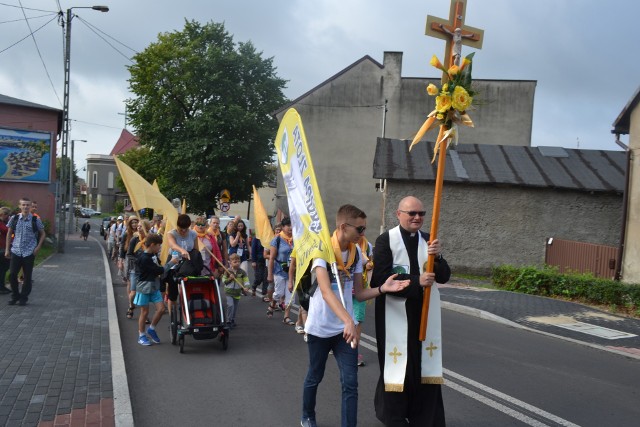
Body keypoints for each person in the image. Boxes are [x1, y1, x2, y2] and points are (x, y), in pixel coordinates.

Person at [301, 204, 410, 427]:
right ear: (343, 226)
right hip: (321, 328)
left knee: (350, 383)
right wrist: (349, 320)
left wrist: (382, 289)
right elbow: (325, 290)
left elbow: (359, 293)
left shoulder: (356, 251)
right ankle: (307, 415)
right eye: (360, 229)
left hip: (344, 332)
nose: (363, 234)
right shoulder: (322, 250)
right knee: (315, 376)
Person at [370, 196, 451, 426]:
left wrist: (439, 256)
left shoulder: (429, 240)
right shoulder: (386, 241)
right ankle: (394, 416)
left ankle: (425, 418)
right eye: (411, 213)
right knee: (399, 367)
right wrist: (417, 281)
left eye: (421, 213)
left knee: (424, 365)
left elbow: (444, 276)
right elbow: (380, 278)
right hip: (394, 314)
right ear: (398, 214)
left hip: (424, 315)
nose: (417, 217)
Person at [134, 233, 176, 346]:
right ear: (152, 245)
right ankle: (141, 335)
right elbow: (159, 270)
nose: (160, 248)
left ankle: (151, 329)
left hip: (154, 287)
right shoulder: (144, 258)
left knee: (161, 309)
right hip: (144, 287)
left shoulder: (153, 255)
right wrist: (172, 262)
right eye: (158, 245)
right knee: (144, 312)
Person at [4, 197, 45, 306]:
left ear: (30, 206)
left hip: (29, 252)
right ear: (20, 206)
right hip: (16, 251)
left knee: (27, 277)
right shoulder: (14, 218)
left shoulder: (35, 220)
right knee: (12, 275)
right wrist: (7, 249)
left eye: (28, 205)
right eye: (24, 205)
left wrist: (37, 248)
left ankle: (23, 297)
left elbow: (43, 234)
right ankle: (15, 295)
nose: (26, 207)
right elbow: (9, 234)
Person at [165, 214, 198, 315]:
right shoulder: (171, 233)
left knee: (188, 291)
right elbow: (172, 245)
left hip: (188, 263)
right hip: (174, 262)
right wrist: (182, 250)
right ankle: (172, 317)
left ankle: (187, 314)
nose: (183, 231)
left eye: (186, 228)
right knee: (173, 293)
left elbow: (195, 250)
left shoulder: (193, 234)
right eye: (181, 228)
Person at [267, 218, 293, 321]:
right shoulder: (277, 239)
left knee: (290, 295)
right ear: (283, 227)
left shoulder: (296, 239)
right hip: (279, 270)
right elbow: (272, 258)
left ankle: (286, 316)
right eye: (288, 225)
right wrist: (270, 274)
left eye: (291, 225)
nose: (290, 228)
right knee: (279, 293)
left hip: (292, 271)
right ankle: (272, 304)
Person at [354, 234, 374, 367]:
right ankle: (337, 344)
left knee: (358, 320)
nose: (360, 232)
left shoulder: (368, 246)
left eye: (362, 229)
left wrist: (370, 286)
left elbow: (371, 266)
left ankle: (353, 352)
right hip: (343, 289)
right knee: (342, 320)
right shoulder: (341, 245)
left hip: (360, 287)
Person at [222, 253, 250, 327]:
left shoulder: (242, 272)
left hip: (237, 292)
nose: (237, 263)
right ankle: (228, 321)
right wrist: (230, 279)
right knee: (230, 305)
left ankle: (232, 320)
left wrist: (247, 287)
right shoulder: (227, 271)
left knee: (235, 308)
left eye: (238, 261)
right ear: (230, 262)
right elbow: (224, 281)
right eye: (235, 262)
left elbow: (246, 280)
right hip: (229, 292)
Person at [0, 207, 12, 295]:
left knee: (4, 268)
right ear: (2, 214)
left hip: (5, 247)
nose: (8, 217)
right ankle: (1, 287)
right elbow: (6, 230)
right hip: (2, 248)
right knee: (3, 268)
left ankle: (2, 286)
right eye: (7, 215)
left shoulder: (4, 222)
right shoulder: (1, 223)